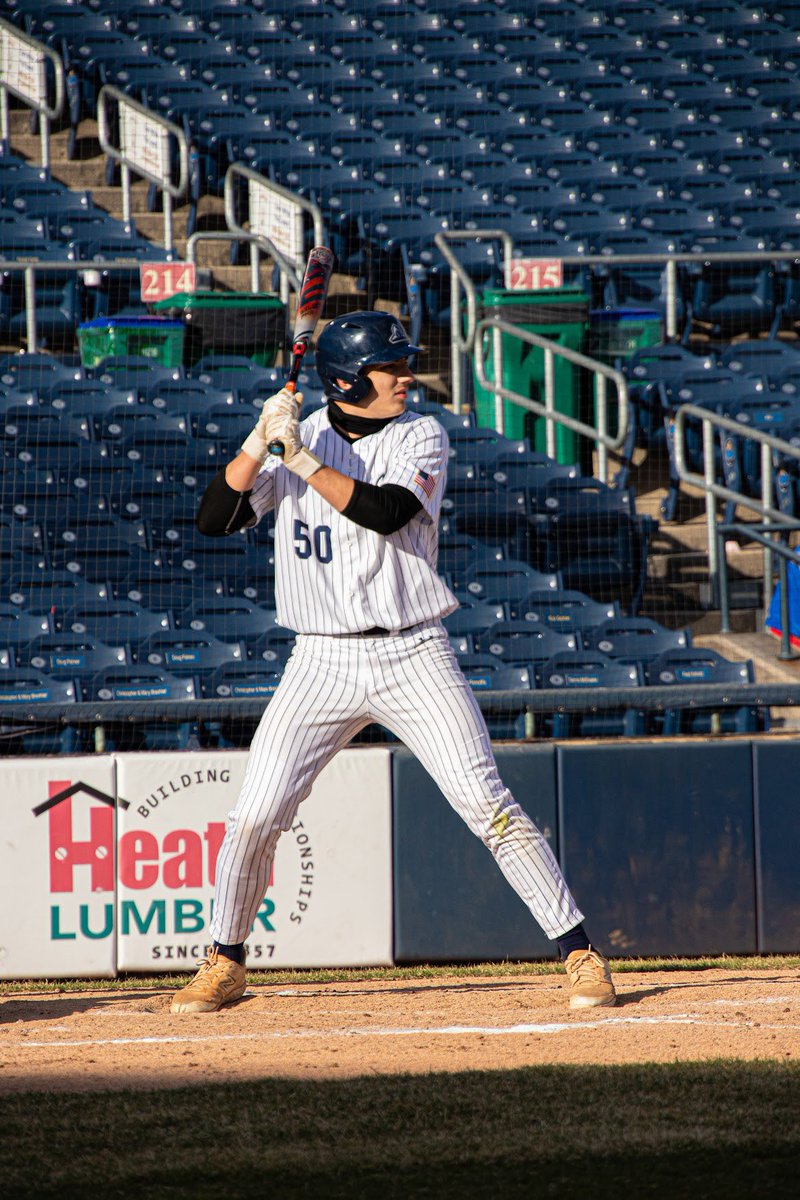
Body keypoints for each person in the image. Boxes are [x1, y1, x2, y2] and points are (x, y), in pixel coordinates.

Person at [170, 311, 616, 1014]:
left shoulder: (420, 434)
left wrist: (301, 458)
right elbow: (213, 519)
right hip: (319, 659)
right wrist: (259, 442)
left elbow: (385, 511)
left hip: (412, 650)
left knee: (485, 803)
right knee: (255, 816)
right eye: (391, 367)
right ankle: (225, 961)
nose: (407, 376)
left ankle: (580, 952)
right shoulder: (297, 435)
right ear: (348, 379)